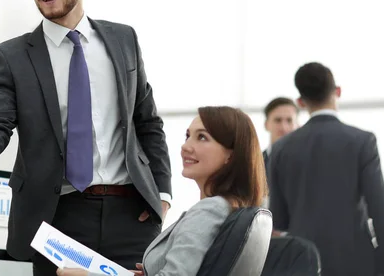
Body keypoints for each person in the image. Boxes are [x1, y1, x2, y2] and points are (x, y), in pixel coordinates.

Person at [0, 0, 172, 275]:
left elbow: (147, 123)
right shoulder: (12, 56)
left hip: (132, 215)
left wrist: (162, 195)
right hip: (58, 218)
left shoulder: (123, 40)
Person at [57, 106, 268, 276]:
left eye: (202, 137)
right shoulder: (231, 207)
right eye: (188, 136)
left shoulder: (209, 210)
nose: (186, 146)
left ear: (230, 155)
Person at [269, 62, 384, 276]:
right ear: (337, 91)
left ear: (301, 102)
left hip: (301, 263)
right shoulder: (362, 141)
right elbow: (379, 208)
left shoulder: (280, 149)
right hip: (357, 261)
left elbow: (280, 219)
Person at [262, 97, 298, 178]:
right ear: (266, 124)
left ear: (298, 125)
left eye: (289, 120)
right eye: (278, 120)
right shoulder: (253, 163)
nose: (283, 127)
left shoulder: (308, 162)